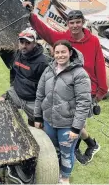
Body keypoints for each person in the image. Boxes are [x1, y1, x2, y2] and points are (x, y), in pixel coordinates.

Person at [23, 1, 108, 164]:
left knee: (75, 122)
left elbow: (100, 65)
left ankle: (85, 146)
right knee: (71, 122)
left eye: (78, 22)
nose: (75, 26)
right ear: (68, 24)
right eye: (71, 23)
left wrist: (101, 91)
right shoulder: (63, 39)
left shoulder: (93, 41)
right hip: (67, 88)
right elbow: (44, 31)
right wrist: (31, 15)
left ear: (83, 23)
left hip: (86, 88)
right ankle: (86, 145)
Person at [34, 40, 92, 184]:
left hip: (68, 124)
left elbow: (84, 103)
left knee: (67, 153)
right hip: (49, 121)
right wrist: (37, 117)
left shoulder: (79, 73)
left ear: (70, 53)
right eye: (57, 52)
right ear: (53, 53)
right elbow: (40, 94)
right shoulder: (48, 70)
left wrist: (76, 127)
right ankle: (56, 171)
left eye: (63, 52)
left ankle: (65, 178)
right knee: (54, 150)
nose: (60, 55)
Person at [0, 28, 49, 126]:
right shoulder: (17, 54)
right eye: (22, 42)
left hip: (33, 100)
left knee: (38, 128)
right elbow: (13, 71)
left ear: (34, 43)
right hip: (16, 94)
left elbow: (46, 88)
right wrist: (13, 86)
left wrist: (39, 110)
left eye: (28, 43)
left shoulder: (42, 62)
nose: (24, 46)